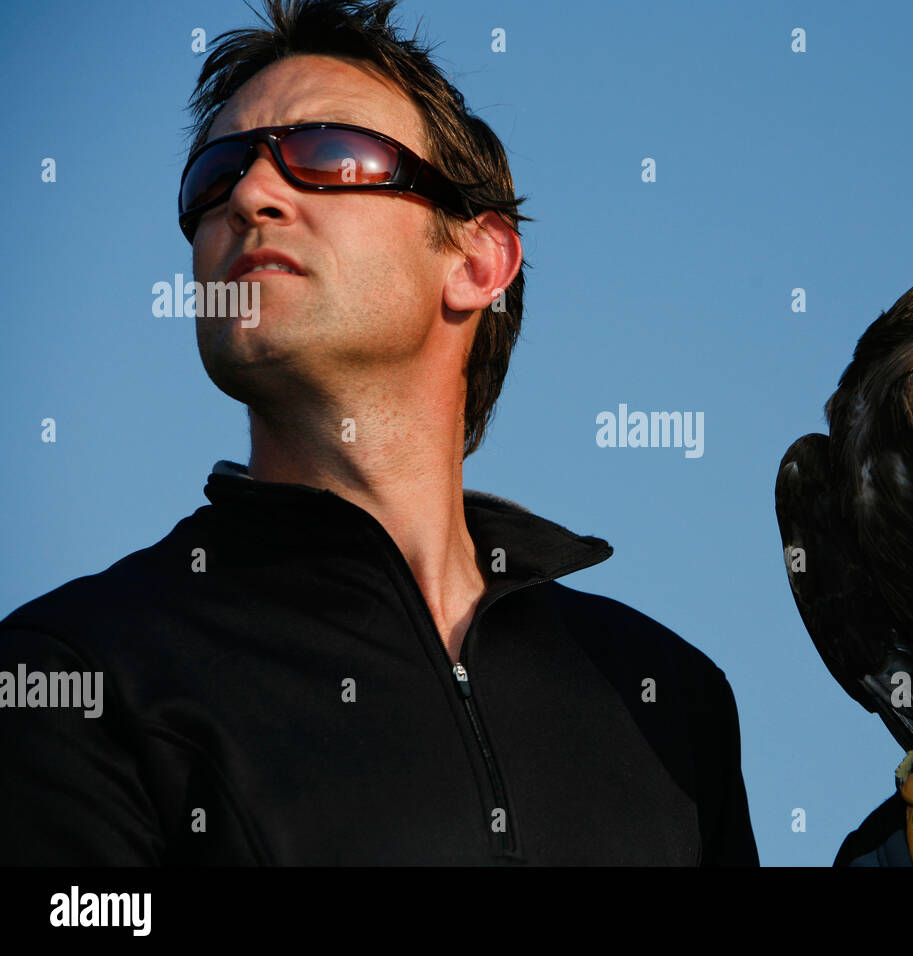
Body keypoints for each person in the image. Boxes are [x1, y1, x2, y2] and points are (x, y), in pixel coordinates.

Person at [0, 0, 758, 866]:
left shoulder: (663, 691)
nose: (250, 194)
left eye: (327, 154)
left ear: (478, 263)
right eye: (213, 177)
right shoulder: (72, 674)